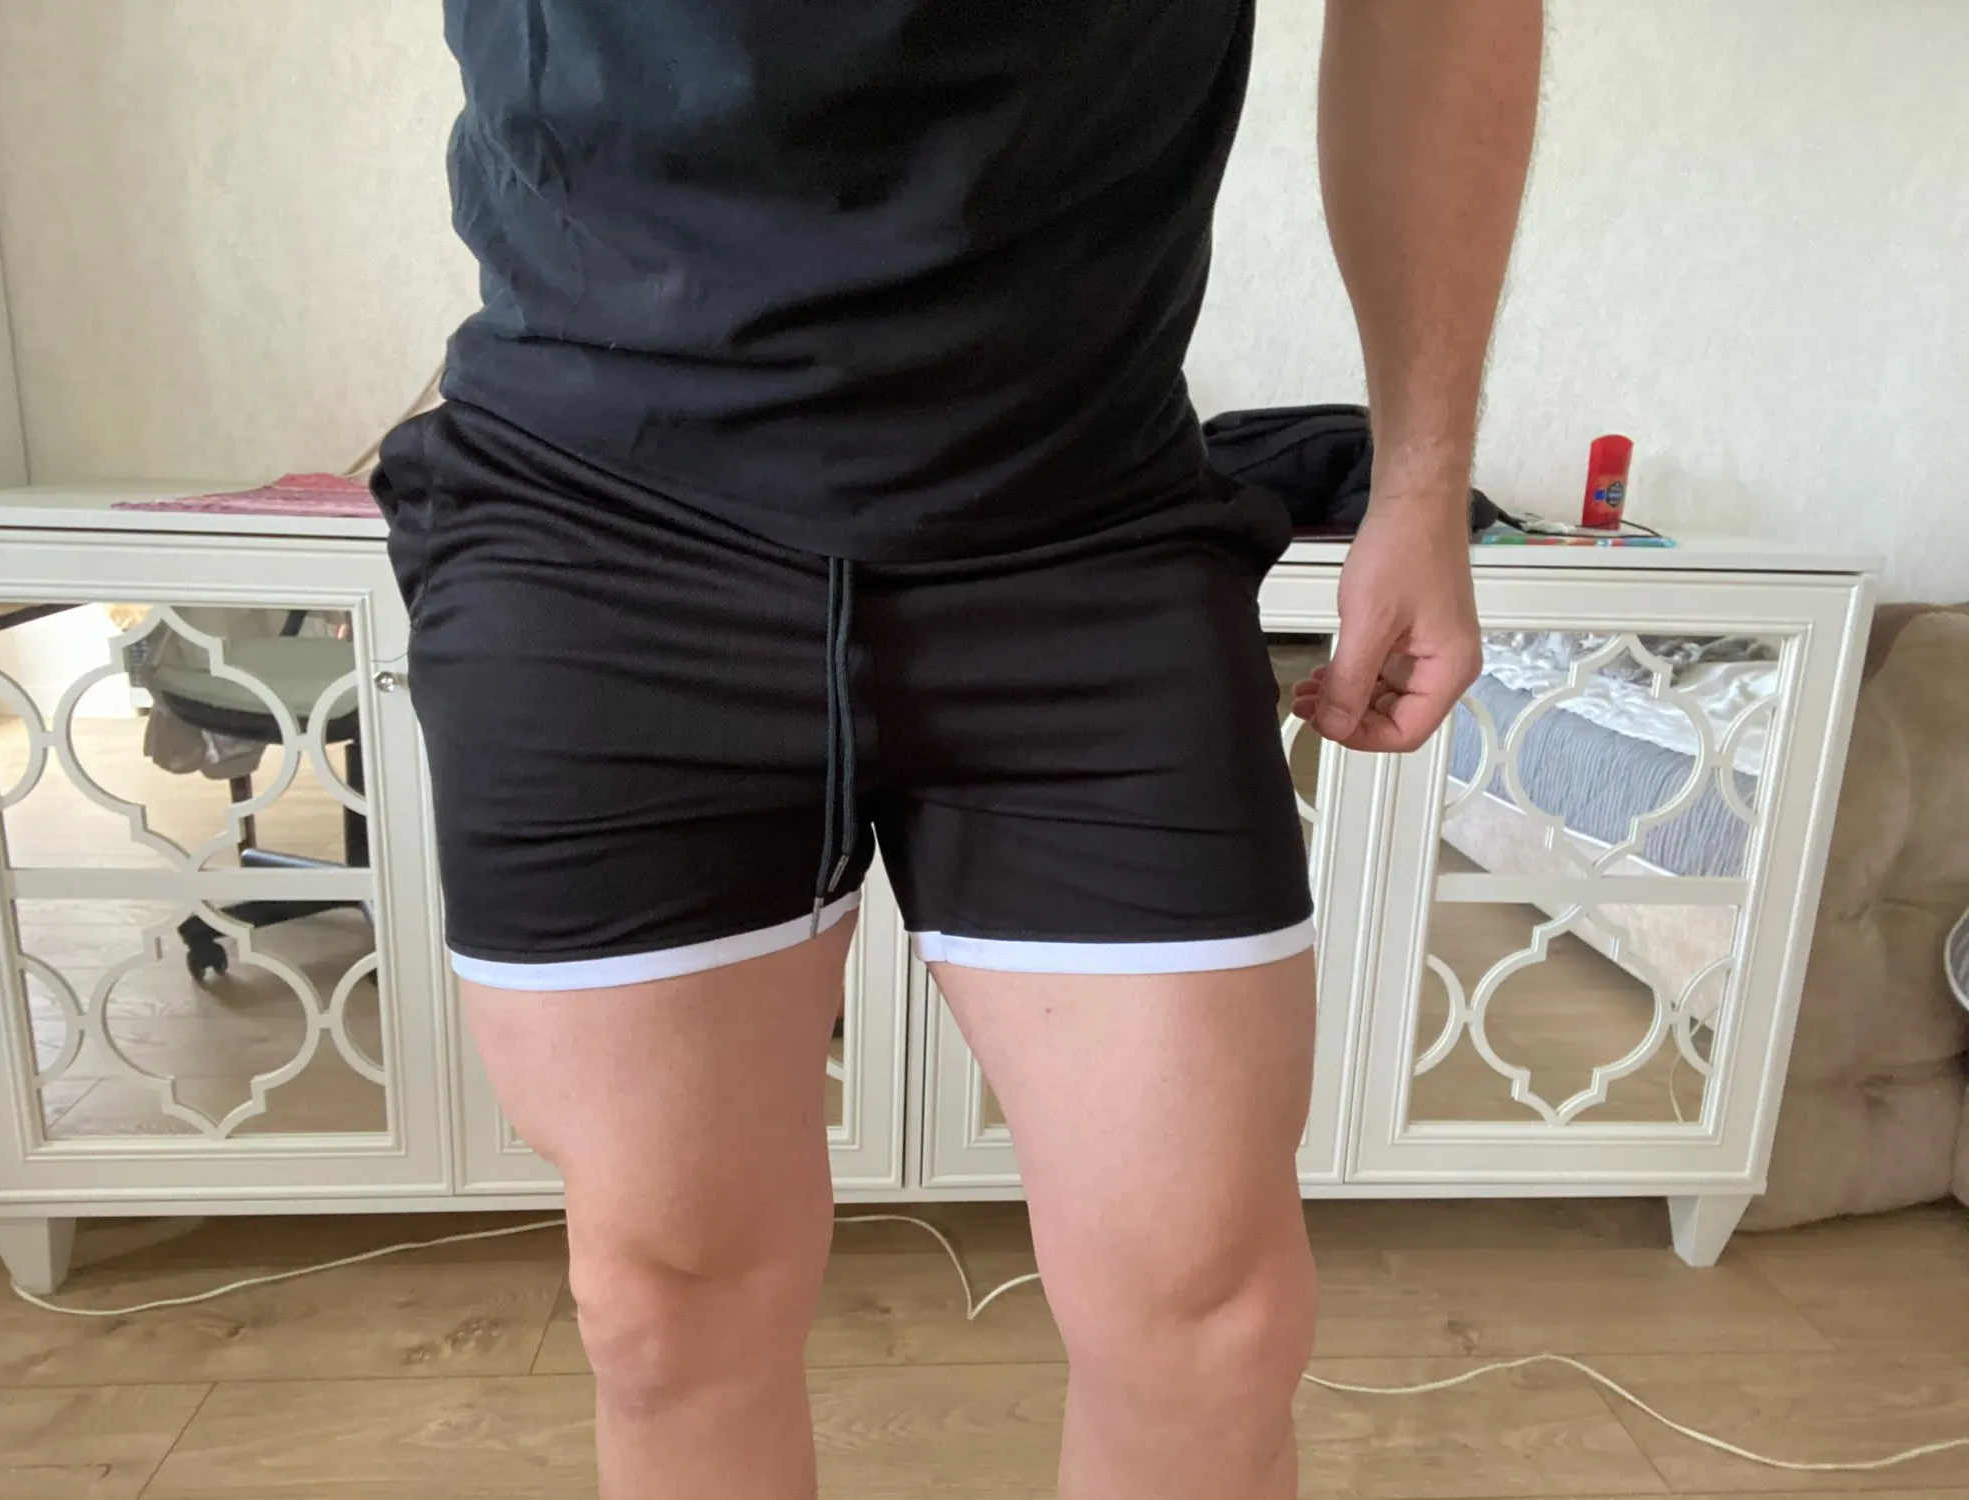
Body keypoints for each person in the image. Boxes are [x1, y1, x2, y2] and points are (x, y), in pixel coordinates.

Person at [372, 2, 1541, 1495]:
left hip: (1082, 514)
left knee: (1211, 1324)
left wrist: (1422, 482)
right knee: (669, 1306)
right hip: (602, 516)